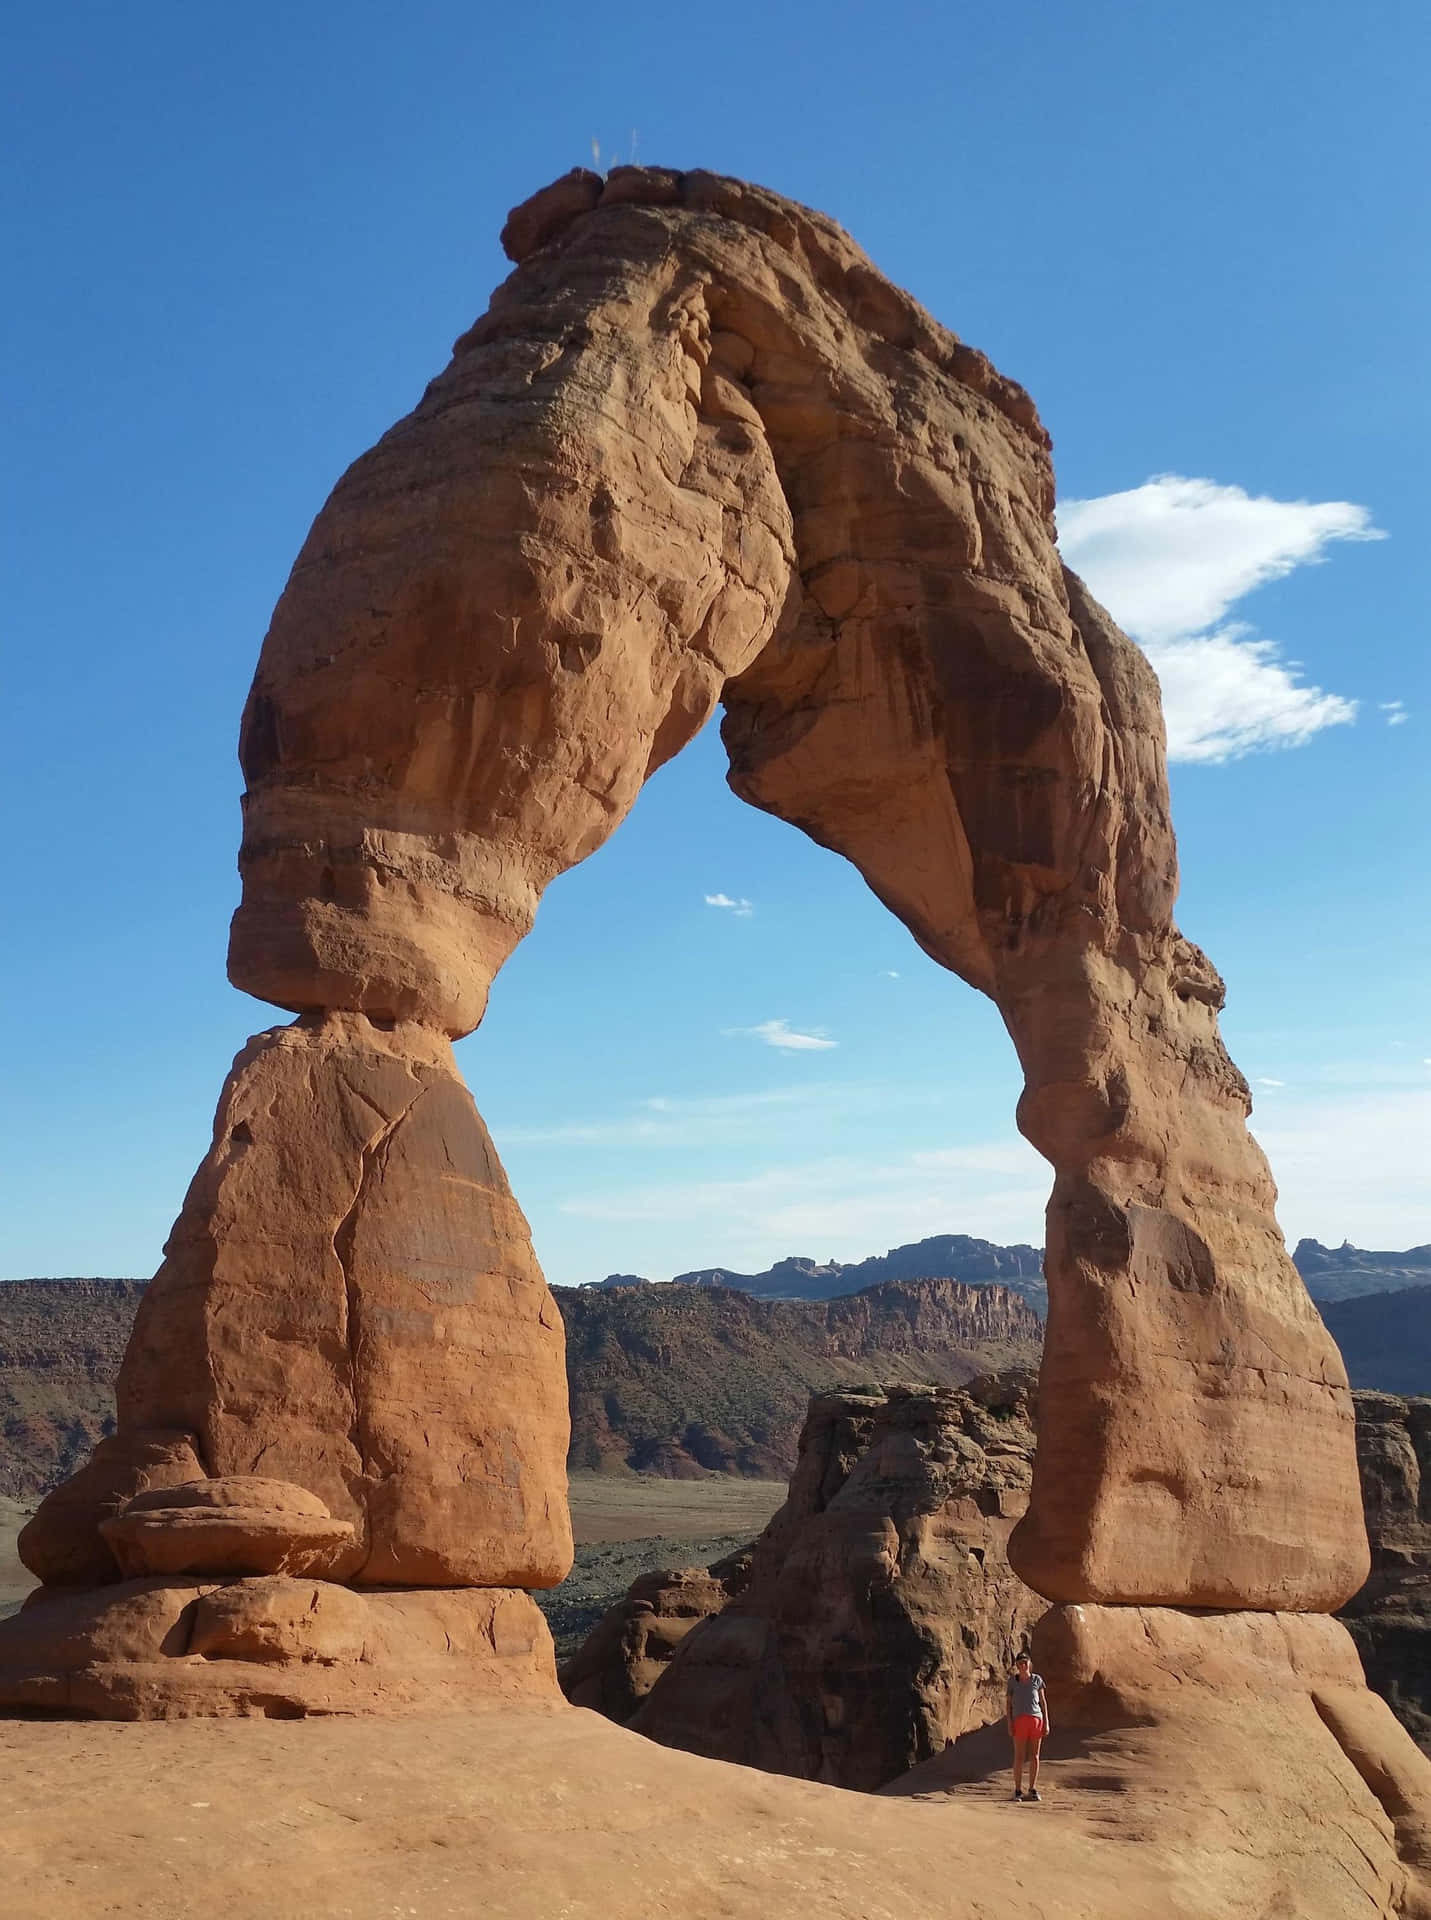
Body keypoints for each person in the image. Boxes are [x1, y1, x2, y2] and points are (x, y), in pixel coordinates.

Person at [1006, 1650, 1050, 1801]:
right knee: (1019, 1756)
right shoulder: (1012, 1681)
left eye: (1025, 1662)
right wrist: (1009, 1723)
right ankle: (1018, 1790)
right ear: (1017, 1665)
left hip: (1036, 1720)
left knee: (1035, 1756)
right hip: (1019, 1721)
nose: (1023, 1665)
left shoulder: (1037, 1680)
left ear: (1030, 1664)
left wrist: (1046, 1722)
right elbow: (1008, 1705)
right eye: (1020, 1663)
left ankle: (1032, 1788)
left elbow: (1043, 1702)